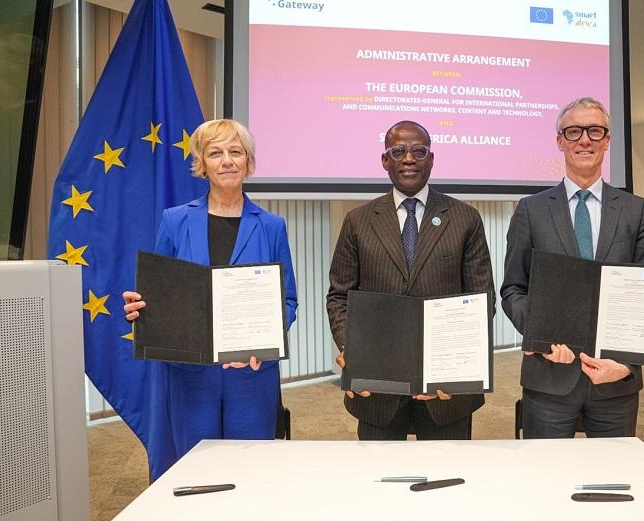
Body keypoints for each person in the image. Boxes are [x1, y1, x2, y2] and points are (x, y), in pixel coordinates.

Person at [123, 119, 298, 462]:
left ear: (248, 162)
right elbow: (160, 290)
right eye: (215, 153)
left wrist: (263, 342)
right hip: (191, 375)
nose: (227, 161)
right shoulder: (174, 221)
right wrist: (142, 308)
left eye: (236, 152)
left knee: (249, 466)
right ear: (202, 164)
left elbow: (287, 300)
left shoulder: (272, 226)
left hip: (251, 373)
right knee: (195, 466)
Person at [327, 120, 495, 440]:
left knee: (448, 482)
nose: (408, 158)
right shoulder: (358, 221)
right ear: (384, 160)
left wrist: (457, 365)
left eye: (419, 151)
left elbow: (481, 300)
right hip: (378, 388)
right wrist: (353, 348)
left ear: (431, 159)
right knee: (380, 481)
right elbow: (339, 297)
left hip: (446, 392)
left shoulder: (464, 218)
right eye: (398, 151)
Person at [501, 97, 644, 439]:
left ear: (607, 139)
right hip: (549, 378)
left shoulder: (637, 211)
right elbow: (513, 289)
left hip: (615, 381)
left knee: (614, 480)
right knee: (545, 481)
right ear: (560, 141)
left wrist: (627, 365)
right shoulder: (531, 210)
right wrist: (541, 338)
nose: (584, 140)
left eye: (594, 131)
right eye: (574, 131)